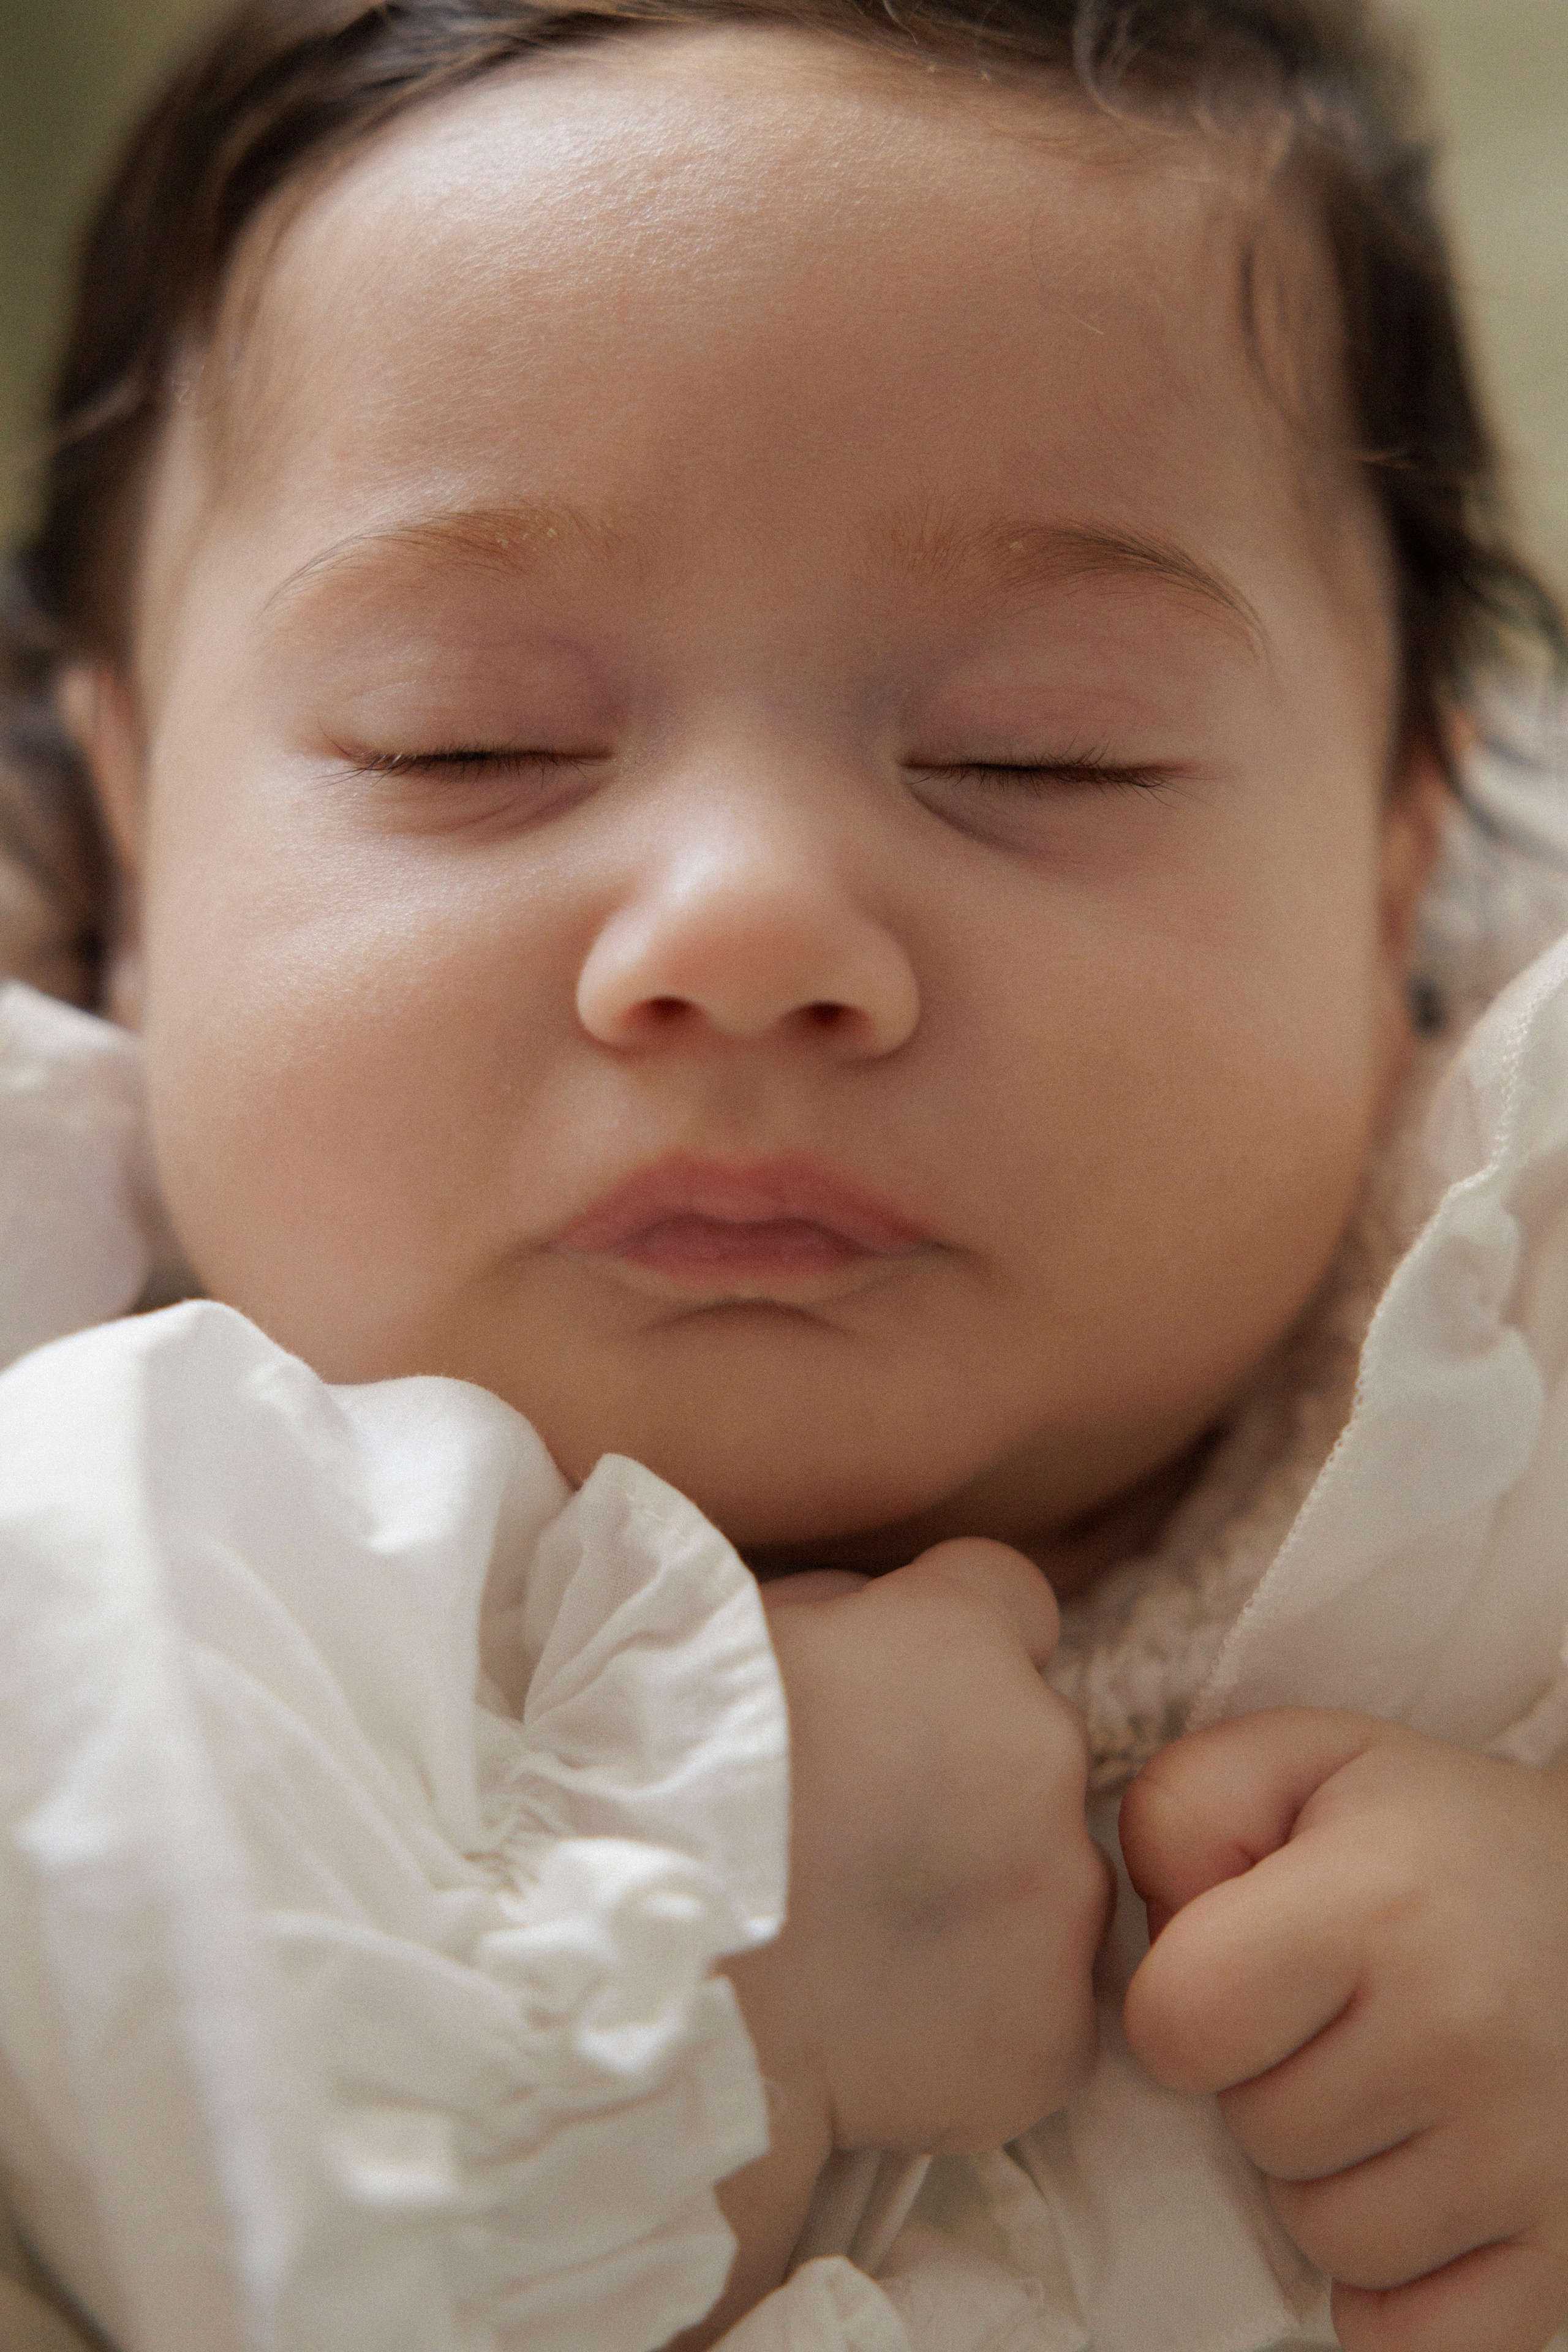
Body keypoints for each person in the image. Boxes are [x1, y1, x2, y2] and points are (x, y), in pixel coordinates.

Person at [2, 1, 1568, 2346]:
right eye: (474, 740)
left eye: (1043, 755)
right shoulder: (102, 1561)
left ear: (1393, 869)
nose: (747, 927)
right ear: (132, 842)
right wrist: (704, 1978)